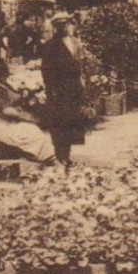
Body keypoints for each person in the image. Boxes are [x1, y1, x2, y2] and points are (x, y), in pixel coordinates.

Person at [39, 14, 87, 168]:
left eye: (65, 25)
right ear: (55, 27)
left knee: (71, 123)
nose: (63, 28)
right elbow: (46, 71)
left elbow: (77, 64)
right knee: (60, 124)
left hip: (72, 90)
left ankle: (66, 155)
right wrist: (51, 90)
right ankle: (61, 156)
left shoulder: (73, 42)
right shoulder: (50, 46)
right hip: (59, 91)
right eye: (60, 26)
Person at [0, 70, 54, 164]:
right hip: (1, 127)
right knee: (32, 131)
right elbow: (6, 110)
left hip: (5, 124)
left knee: (34, 130)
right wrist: (28, 117)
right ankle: (48, 161)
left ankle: (41, 161)